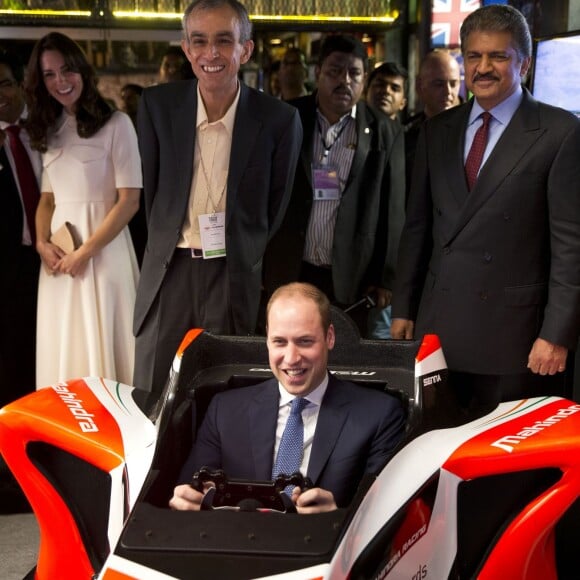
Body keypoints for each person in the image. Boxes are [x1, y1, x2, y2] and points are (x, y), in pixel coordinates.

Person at [391, 4, 580, 409]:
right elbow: (418, 227)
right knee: (438, 455)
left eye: (499, 56)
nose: (484, 67)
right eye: (474, 56)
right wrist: (403, 306)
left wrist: (556, 334)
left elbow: (571, 247)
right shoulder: (437, 130)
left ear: (524, 64)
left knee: (505, 467)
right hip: (439, 329)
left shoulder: (560, 132)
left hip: (516, 338)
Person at [133, 0, 302, 394]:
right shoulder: (158, 107)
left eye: (224, 41)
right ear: (186, 49)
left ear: (245, 49)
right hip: (169, 271)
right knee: (155, 392)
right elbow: (152, 196)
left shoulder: (279, 120)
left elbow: (277, 210)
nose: (211, 53)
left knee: (225, 393)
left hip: (233, 274)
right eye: (200, 41)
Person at [170, 282, 405, 513]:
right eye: (280, 342)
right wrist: (189, 501)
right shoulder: (225, 410)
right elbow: (189, 493)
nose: (291, 358)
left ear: (330, 337)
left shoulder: (379, 415)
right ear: (268, 342)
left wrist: (337, 517)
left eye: (305, 341)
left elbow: (385, 514)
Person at [263, 34, 406, 338]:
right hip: (291, 265)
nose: (344, 81)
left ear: (364, 78)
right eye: (334, 71)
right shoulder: (288, 117)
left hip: (351, 274)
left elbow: (393, 210)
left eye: (354, 73)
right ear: (317, 73)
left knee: (344, 359)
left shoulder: (385, 129)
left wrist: (386, 278)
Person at [26, 32, 142, 388]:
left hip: (104, 257)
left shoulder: (117, 124)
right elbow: (47, 199)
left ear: (82, 70)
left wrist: (86, 252)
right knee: (63, 345)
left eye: (67, 70)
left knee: (109, 345)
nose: (60, 81)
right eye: (49, 75)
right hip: (59, 262)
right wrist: (42, 244)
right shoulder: (51, 129)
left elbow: (129, 200)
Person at [0, 49, 42, 407]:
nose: (1, 96)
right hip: (8, 273)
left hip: (55, 261)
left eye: (5, 85)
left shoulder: (47, 128)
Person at [364, 61, 409, 340]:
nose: (385, 92)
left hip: (388, 275)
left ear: (403, 101)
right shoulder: (354, 133)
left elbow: (395, 214)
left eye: (395, 88)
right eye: (379, 85)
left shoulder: (406, 138)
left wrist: (387, 278)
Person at [404, 50, 461, 190]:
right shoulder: (405, 135)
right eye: (439, 84)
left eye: (453, 84)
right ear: (419, 86)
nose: (448, 92)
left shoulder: (478, 128)